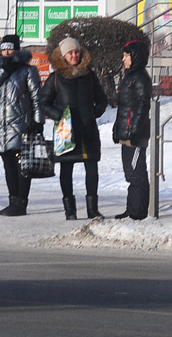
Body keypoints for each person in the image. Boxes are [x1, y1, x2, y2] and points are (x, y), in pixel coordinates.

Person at [39, 36, 108, 220]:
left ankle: (92, 209)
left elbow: (102, 99)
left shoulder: (90, 76)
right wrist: (58, 114)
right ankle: (70, 209)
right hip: (66, 131)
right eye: (70, 53)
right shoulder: (55, 78)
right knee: (66, 169)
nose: (74, 55)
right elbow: (43, 103)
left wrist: (96, 111)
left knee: (91, 169)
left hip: (87, 129)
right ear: (63, 56)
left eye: (76, 51)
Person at [0, 34, 42, 216]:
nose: (7, 52)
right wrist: (2, 71)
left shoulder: (28, 71)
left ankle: (21, 203)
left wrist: (38, 122)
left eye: (11, 48)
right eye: (4, 48)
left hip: (21, 123)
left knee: (22, 165)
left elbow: (36, 98)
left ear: (17, 50)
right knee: (8, 163)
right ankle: (13, 201)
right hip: (1, 125)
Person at [113, 40, 152, 220]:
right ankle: (132, 207)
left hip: (135, 134)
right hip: (126, 131)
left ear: (135, 56)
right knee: (129, 172)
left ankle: (139, 211)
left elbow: (143, 106)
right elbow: (124, 107)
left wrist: (134, 130)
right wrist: (117, 128)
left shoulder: (141, 78)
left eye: (127, 55)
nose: (123, 59)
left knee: (137, 172)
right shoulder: (129, 76)